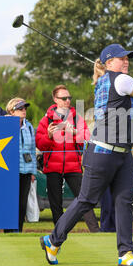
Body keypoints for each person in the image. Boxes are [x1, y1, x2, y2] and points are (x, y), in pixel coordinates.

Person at [40, 43, 133, 266]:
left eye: (128, 57)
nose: (126, 61)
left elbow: (126, 115)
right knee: (87, 200)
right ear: (109, 62)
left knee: (124, 201)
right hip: (103, 152)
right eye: (121, 58)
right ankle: (53, 240)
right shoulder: (120, 80)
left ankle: (126, 253)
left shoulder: (104, 82)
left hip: (123, 154)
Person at [35, 85, 99, 232]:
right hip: (52, 166)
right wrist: (49, 136)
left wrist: (75, 132)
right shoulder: (46, 120)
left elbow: (86, 138)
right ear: (55, 99)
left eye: (69, 98)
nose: (67, 101)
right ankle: (59, 232)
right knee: (55, 202)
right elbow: (40, 143)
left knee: (84, 198)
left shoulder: (77, 118)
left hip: (73, 166)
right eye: (64, 98)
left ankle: (95, 231)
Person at [5, 98, 37, 232]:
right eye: (20, 108)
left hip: (26, 170)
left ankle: (18, 230)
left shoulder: (28, 126)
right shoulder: (4, 125)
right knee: (9, 203)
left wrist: (33, 171)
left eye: (24, 108)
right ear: (11, 111)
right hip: (10, 171)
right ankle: (7, 230)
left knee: (22, 204)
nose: (24, 111)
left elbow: (32, 151)